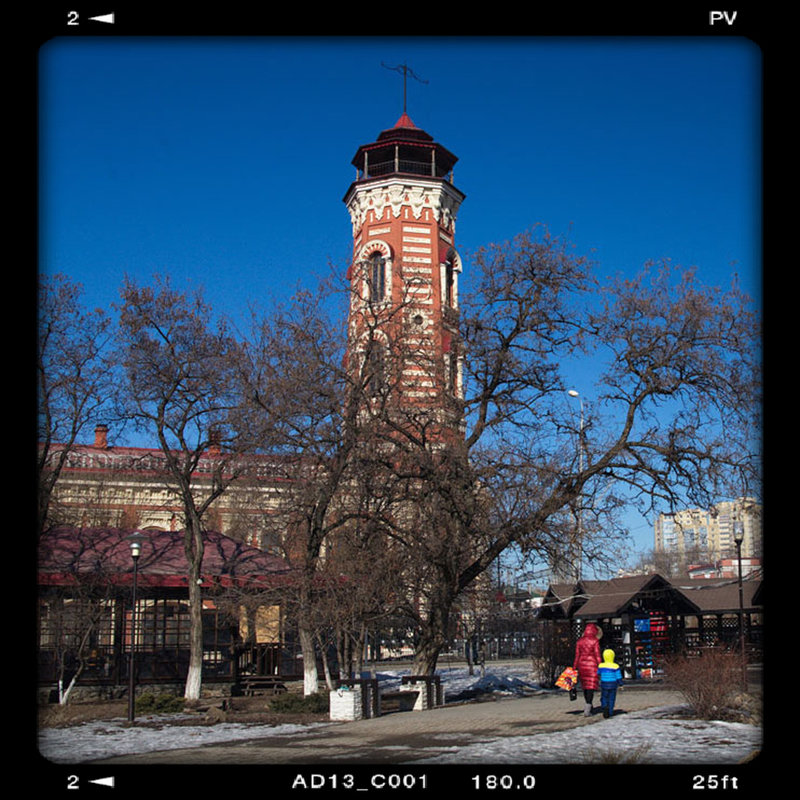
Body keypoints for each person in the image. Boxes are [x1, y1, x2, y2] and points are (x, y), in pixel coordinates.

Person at [573, 622, 602, 716]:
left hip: (582, 665)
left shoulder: (579, 641)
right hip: (592, 666)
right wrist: (600, 666)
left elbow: (577, 655)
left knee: (585, 686)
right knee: (591, 687)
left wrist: (574, 667)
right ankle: (588, 707)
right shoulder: (595, 641)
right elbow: (597, 655)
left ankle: (588, 705)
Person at [597, 648, 624, 717]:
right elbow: (618, 676)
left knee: (604, 697)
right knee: (611, 698)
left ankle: (604, 706)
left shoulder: (601, 666)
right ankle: (610, 711)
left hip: (604, 684)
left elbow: (598, 673)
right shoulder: (615, 666)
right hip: (613, 684)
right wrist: (621, 684)